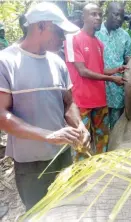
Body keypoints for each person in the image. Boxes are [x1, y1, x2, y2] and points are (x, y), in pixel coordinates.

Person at [0, 2, 90, 210]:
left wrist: (80, 126)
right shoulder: (6, 62)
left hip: (62, 155)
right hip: (31, 164)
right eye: (59, 31)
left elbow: (68, 103)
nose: (63, 38)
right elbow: (2, 116)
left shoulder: (57, 62)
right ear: (40, 26)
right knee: (39, 212)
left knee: (67, 208)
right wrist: (47, 135)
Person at [64, 3, 127, 154]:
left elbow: (98, 70)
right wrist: (111, 79)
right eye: (93, 14)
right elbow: (83, 71)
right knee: (81, 142)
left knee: (102, 139)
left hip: (100, 100)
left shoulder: (99, 43)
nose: (98, 18)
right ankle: (82, 173)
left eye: (99, 15)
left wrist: (115, 71)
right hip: (81, 102)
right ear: (83, 17)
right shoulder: (72, 39)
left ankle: (100, 169)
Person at [96, 2, 131, 130]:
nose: (119, 19)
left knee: (116, 127)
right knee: (101, 128)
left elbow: (127, 57)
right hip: (99, 87)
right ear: (107, 13)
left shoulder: (125, 35)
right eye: (116, 14)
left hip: (118, 88)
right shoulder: (96, 32)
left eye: (121, 16)